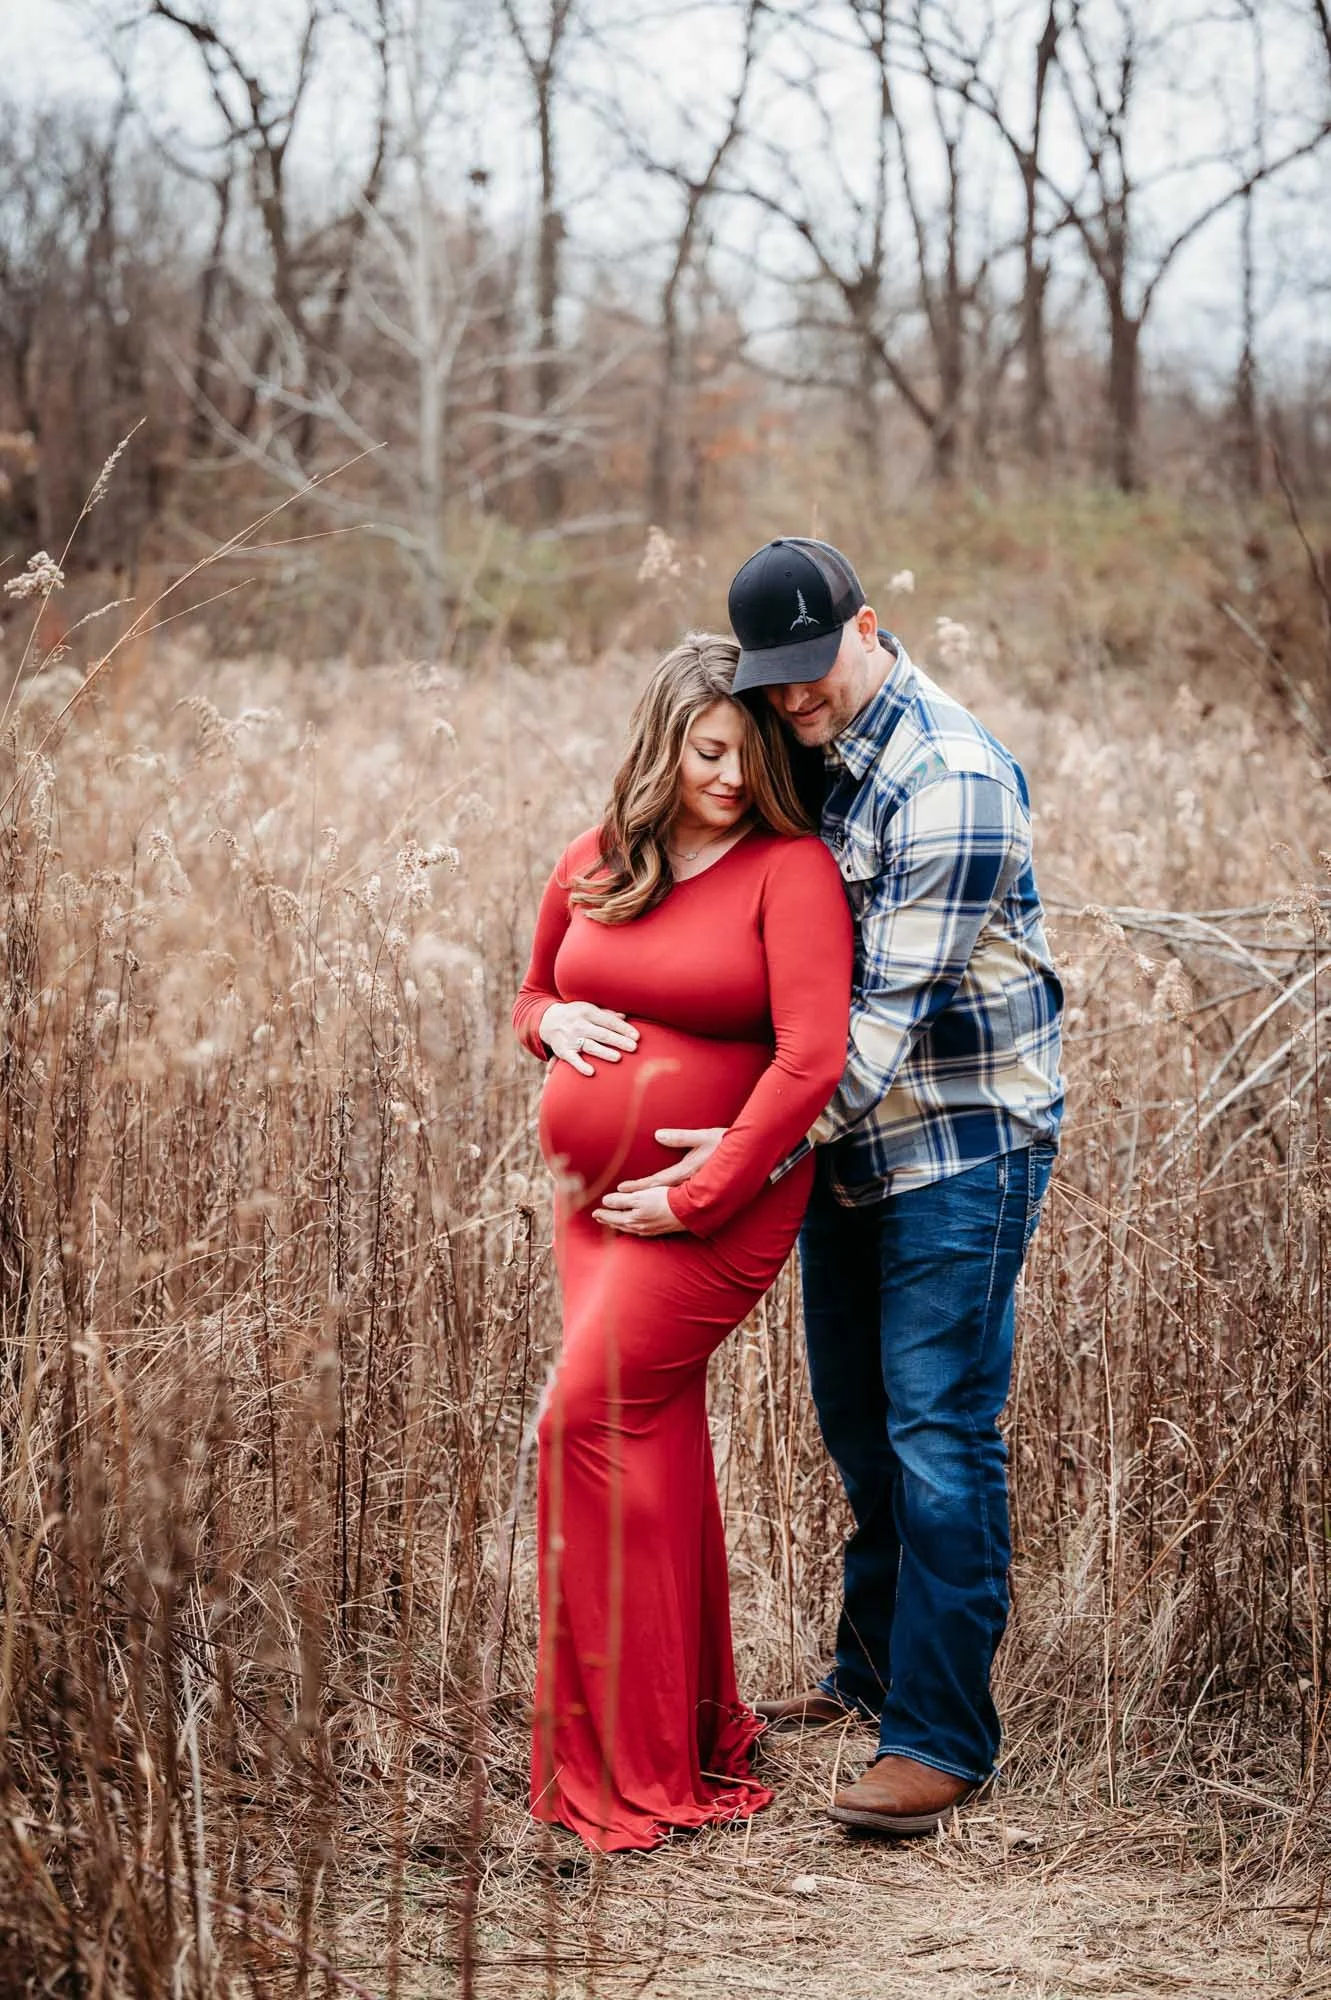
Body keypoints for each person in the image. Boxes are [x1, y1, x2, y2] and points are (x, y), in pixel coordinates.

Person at [616, 539, 1065, 1837]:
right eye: (775, 678)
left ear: (866, 628)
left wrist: (726, 1156)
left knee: (937, 1437)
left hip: (959, 1147)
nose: (794, 697)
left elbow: (863, 1039)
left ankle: (939, 1739)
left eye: (813, 668)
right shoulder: (800, 745)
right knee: (860, 1428)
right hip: (846, 1146)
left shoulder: (952, 781)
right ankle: (869, 1674)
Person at [512, 632, 853, 1854]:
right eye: (706, 748)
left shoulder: (789, 869)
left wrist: (701, 1188)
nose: (725, 773)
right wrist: (556, 1020)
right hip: (592, 1203)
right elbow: (527, 995)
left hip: (715, 1203)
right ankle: (682, 1722)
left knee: (581, 1418)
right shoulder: (598, 858)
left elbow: (811, 1057)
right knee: (644, 1432)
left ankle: (626, 1761)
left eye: (747, 750)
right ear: (662, 742)